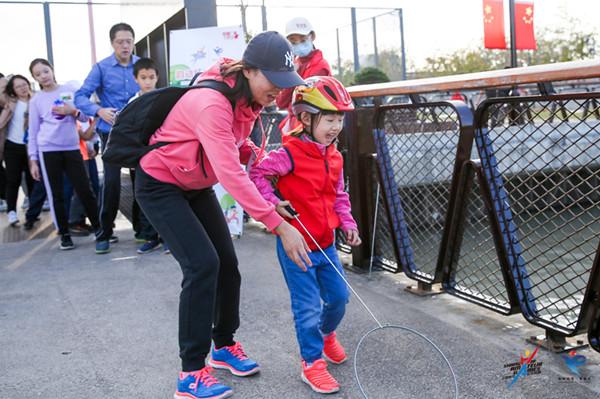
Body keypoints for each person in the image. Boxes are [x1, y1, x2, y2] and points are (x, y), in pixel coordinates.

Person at [134, 31, 310, 399]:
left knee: (227, 263)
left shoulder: (248, 101)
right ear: (249, 70)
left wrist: (267, 198)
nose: (278, 91)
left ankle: (224, 346)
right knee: (202, 266)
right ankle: (191, 373)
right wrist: (278, 226)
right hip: (161, 182)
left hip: (194, 182)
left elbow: (237, 148)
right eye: (274, 81)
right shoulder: (212, 103)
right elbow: (229, 173)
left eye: (285, 83)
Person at [250, 76, 361, 394]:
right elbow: (257, 173)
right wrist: (273, 205)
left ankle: (326, 336)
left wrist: (348, 223)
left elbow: (339, 194)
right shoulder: (290, 154)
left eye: (340, 118)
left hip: (326, 245)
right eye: (329, 118)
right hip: (296, 246)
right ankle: (311, 363)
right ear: (306, 118)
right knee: (308, 306)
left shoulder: (335, 155)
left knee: (339, 299)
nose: (336, 126)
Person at [75, 22, 140, 254]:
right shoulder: (101, 68)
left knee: (140, 181)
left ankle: (142, 231)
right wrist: (98, 110)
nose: (125, 45)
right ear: (112, 43)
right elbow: (79, 96)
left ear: (133, 41)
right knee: (111, 184)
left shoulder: (141, 66)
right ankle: (104, 233)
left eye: (129, 41)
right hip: (109, 132)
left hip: (137, 133)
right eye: (120, 41)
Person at [27, 58, 100, 250]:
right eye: (38, 74)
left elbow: (85, 116)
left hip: (72, 148)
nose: (43, 76)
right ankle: (64, 234)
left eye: (45, 71)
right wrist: (33, 160)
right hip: (48, 150)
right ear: (34, 78)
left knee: (85, 189)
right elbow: (33, 133)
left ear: (52, 69)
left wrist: (73, 111)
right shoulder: (35, 100)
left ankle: (101, 229)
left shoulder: (69, 91)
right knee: (56, 194)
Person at [128, 57, 166, 254]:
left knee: (168, 198)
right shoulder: (132, 103)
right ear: (136, 79)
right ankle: (150, 237)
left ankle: (169, 237)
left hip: (164, 158)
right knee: (144, 199)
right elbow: (129, 132)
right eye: (143, 77)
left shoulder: (165, 98)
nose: (148, 81)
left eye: (151, 77)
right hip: (141, 158)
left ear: (157, 77)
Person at [276, 17, 332, 134]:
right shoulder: (294, 64)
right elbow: (280, 102)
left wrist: (292, 76)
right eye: (293, 41)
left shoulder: (320, 66)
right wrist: (289, 73)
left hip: (311, 128)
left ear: (312, 37)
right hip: (296, 126)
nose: (298, 45)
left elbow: (306, 103)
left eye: (302, 39)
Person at [2, 75, 34, 226]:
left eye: (24, 84)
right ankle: (11, 212)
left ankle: (32, 211)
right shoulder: (10, 103)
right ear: (13, 90)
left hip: (31, 147)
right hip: (12, 146)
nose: (22, 88)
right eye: (18, 86)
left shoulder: (35, 101)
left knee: (32, 179)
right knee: (13, 180)